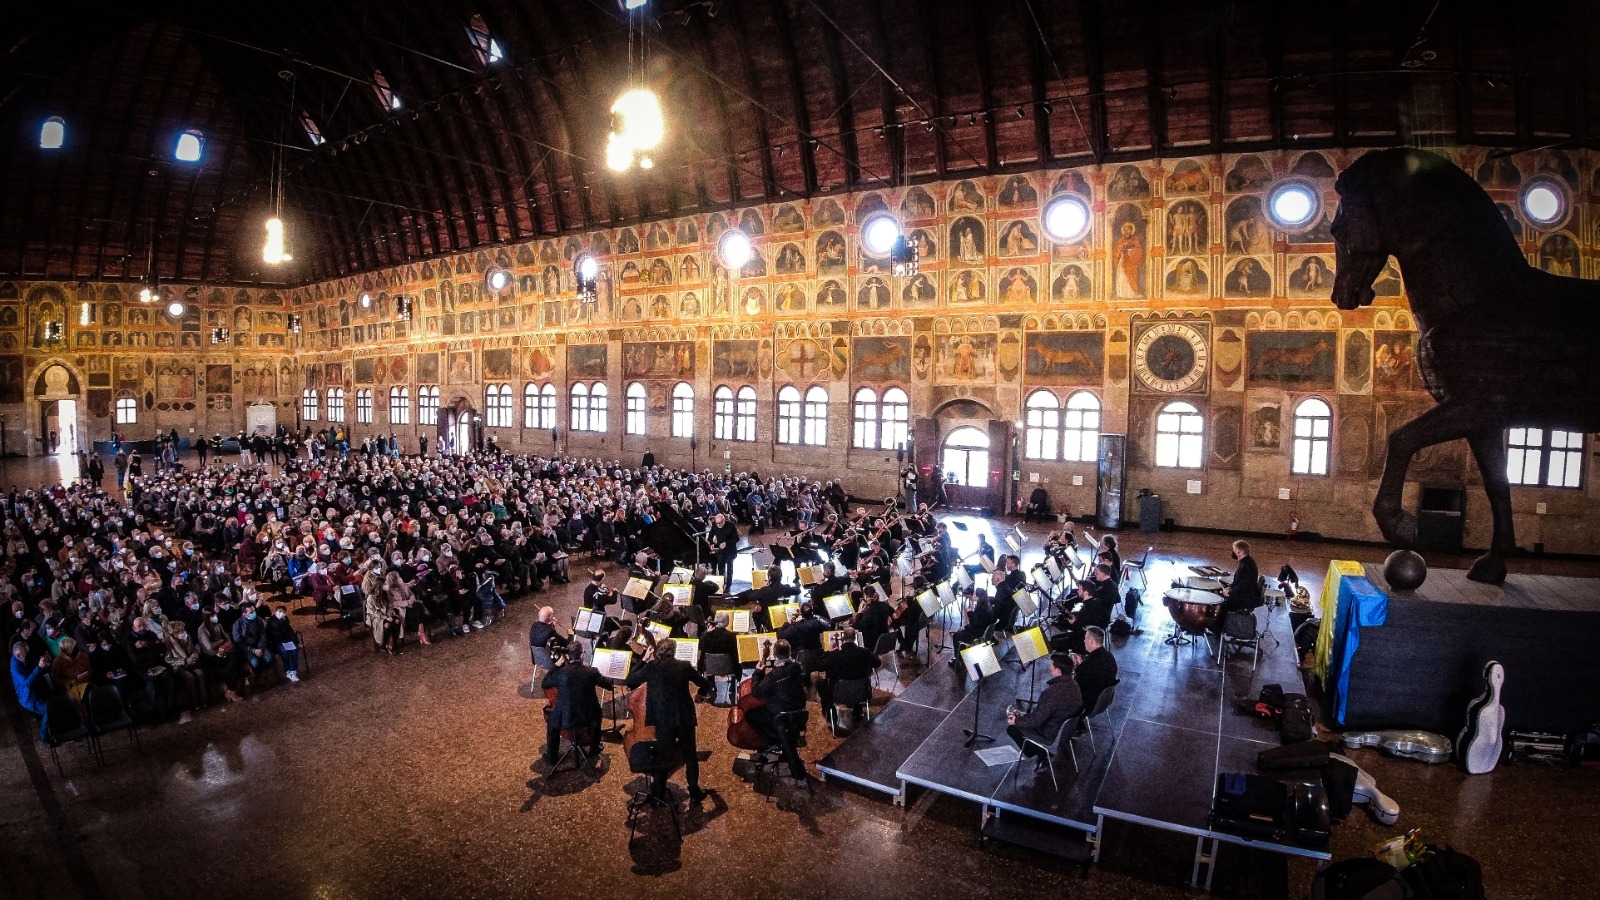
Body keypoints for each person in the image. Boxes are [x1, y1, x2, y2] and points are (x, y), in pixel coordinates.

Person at [625, 637, 712, 803]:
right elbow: (705, 683)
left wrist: (643, 659)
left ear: (658, 652)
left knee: (663, 755)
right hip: (683, 717)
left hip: (662, 719)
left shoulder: (651, 668)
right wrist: (700, 694)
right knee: (690, 756)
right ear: (673, 651)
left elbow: (630, 680)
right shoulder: (684, 666)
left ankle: (659, 794)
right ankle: (694, 793)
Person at [747, 639, 808, 785]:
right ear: (789, 652)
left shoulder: (774, 675)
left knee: (750, 715)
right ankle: (782, 741)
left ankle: (772, 741)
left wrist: (757, 672)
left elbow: (757, 692)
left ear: (774, 654)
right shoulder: (798, 667)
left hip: (781, 717)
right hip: (800, 715)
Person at [541, 641, 606, 765]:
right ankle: (594, 749)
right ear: (582, 656)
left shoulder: (560, 673)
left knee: (551, 725)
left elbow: (545, 683)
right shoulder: (591, 672)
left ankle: (551, 759)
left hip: (564, 719)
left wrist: (555, 667)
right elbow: (608, 686)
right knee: (597, 712)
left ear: (569, 656)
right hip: (585, 719)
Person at [1005, 653, 1083, 757]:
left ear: (1059, 671)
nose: (1050, 668)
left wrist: (1016, 720)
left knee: (1012, 729)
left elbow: (1036, 721)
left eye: (1052, 667)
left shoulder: (1053, 692)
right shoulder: (1075, 685)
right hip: (1064, 732)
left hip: (1048, 734)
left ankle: (1041, 755)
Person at [815, 627, 880, 722]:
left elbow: (819, 666)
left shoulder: (836, 655)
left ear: (843, 638)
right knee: (856, 678)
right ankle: (857, 709)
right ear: (855, 638)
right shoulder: (864, 653)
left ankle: (829, 711)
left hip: (839, 694)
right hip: (862, 692)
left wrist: (828, 652)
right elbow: (878, 663)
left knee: (820, 682)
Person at [10, 642, 52, 739]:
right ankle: (43, 735)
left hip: (36, 691)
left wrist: (43, 663)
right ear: (19, 655)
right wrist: (39, 667)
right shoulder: (16, 670)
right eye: (26, 652)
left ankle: (53, 726)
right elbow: (27, 684)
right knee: (49, 709)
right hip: (29, 698)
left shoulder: (18, 658)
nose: (28, 654)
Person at [1071, 626, 1117, 712]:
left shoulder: (1091, 663)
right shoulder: (1108, 656)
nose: (1084, 641)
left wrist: (1077, 667)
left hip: (1089, 701)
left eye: (1085, 638)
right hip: (1102, 700)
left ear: (1091, 641)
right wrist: (1082, 664)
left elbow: (1077, 683)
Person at [1220, 540, 1263, 614]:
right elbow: (1239, 581)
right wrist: (1230, 587)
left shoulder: (1246, 566)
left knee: (1223, 604)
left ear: (1241, 552)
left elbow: (1244, 586)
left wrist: (1230, 592)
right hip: (1246, 592)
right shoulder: (1246, 561)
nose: (1233, 551)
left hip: (1246, 596)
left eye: (1235, 549)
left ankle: (1223, 623)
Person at [708, 513, 739, 583]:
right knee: (720, 566)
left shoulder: (731, 526)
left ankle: (728, 584)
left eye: (720, 523)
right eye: (717, 523)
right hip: (720, 550)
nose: (718, 525)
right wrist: (711, 543)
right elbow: (710, 536)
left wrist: (726, 543)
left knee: (729, 568)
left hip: (730, 550)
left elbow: (736, 538)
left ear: (724, 520)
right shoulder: (714, 525)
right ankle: (722, 583)